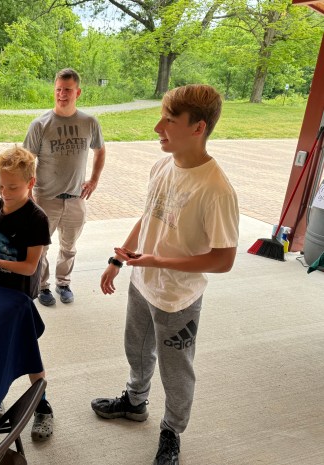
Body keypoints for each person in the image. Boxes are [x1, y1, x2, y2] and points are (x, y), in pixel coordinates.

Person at [90, 84, 239, 465]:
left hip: (178, 299)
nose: (158, 127)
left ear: (198, 128)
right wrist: (119, 259)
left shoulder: (216, 189)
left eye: (169, 121)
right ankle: (134, 402)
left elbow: (223, 260)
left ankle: (172, 431)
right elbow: (149, 215)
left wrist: (156, 261)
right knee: (136, 349)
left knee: (176, 371)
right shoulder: (162, 164)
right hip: (143, 283)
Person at [0, 145, 54, 441]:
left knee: (30, 355)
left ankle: (42, 407)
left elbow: (31, 267)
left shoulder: (36, 218)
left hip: (18, 301)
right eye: (1, 185)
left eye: (13, 187)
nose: (5, 192)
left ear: (31, 183)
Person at [23, 67, 106, 306]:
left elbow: (100, 150)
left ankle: (63, 283)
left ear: (77, 92)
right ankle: (42, 286)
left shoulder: (89, 122)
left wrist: (94, 179)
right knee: (41, 247)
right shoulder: (40, 124)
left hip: (76, 199)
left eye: (67, 90)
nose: (62, 94)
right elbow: (27, 161)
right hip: (45, 198)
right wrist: (28, 194)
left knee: (69, 247)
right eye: (58, 89)